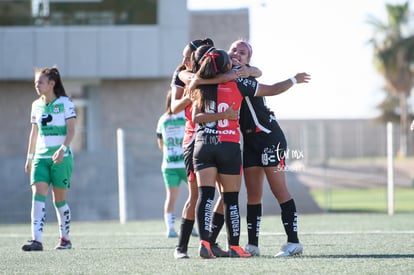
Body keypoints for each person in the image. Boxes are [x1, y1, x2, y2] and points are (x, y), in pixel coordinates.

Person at [189, 40, 311, 257]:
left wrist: (293, 79)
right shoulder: (219, 76)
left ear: (248, 59)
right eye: (234, 49)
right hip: (248, 142)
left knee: (278, 190)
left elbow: (271, 87)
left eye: (243, 52)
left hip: (269, 138)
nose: (237, 53)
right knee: (253, 195)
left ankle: (294, 242)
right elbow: (200, 80)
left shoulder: (245, 76)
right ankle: (252, 246)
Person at [190, 47, 251, 258]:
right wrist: (291, 80)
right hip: (228, 146)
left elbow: (196, 117)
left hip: (204, 144)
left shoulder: (198, 85)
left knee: (206, 197)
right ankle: (234, 247)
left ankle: (204, 244)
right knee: (231, 199)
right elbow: (271, 89)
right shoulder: (237, 84)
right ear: (226, 66)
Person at [22, 67, 76, 251]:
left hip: (62, 159)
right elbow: (34, 132)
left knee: (59, 200)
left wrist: (62, 149)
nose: (37, 85)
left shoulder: (66, 103)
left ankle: (65, 239)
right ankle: (36, 240)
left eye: (40, 82)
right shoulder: (35, 105)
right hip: (41, 158)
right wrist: (30, 157)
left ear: (51, 84)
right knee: (37, 196)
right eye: (36, 82)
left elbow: (72, 131)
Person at [170, 38, 214, 259]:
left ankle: (210, 243)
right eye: (183, 56)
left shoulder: (213, 70)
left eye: (188, 57)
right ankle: (181, 247)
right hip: (192, 139)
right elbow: (174, 107)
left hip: (218, 138)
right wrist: (191, 94)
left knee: (227, 194)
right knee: (195, 194)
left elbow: (254, 72)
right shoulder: (182, 74)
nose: (184, 60)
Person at [156, 90, 187, 238]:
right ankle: (189, 223)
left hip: (169, 165)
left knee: (170, 197)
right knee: (195, 195)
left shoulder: (162, 119)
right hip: (186, 164)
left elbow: (160, 144)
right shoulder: (185, 116)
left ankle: (170, 228)